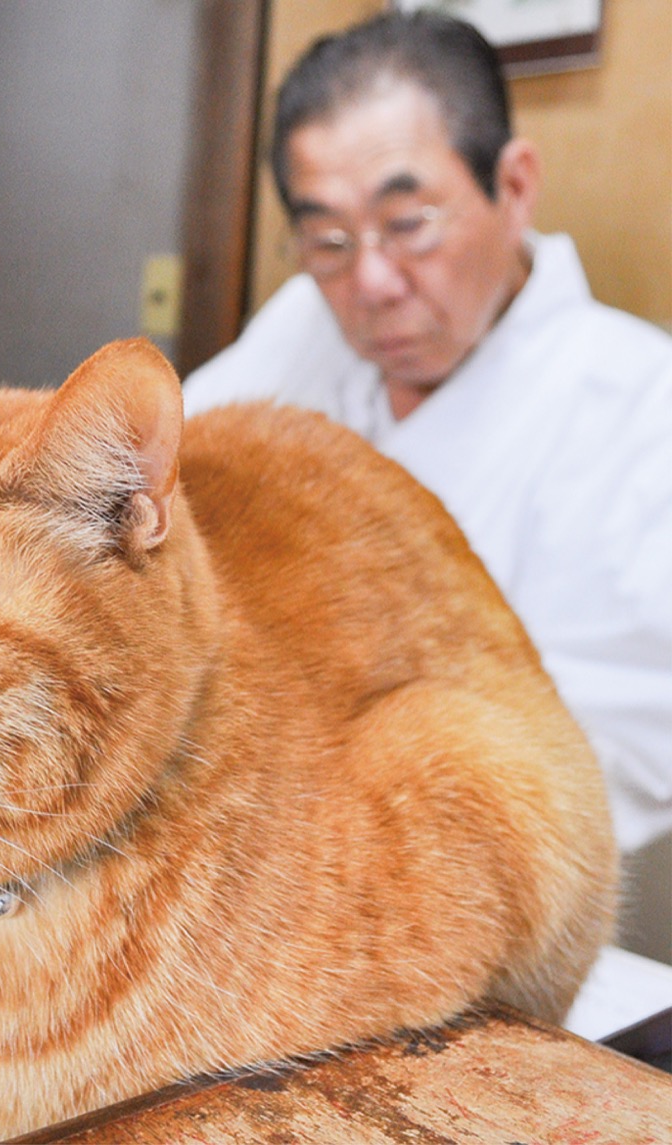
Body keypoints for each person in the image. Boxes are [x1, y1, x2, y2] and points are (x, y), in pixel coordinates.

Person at [182, 11, 672, 856]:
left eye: (410, 224)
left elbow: (613, 760)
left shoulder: (641, 410)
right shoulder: (306, 320)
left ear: (513, 188)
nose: (371, 282)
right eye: (328, 239)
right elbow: (167, 487)